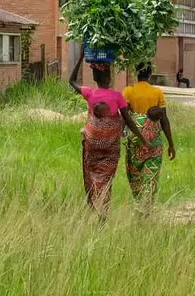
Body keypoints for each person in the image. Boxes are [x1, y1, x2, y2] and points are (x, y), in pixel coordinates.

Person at [69, 52, 150, 217]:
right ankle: (103, 211)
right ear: (109, 77)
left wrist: (80, 57)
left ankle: (93, 202)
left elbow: (71, 81)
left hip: (92, 145)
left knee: (91, 173)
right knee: (106, 178)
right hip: (111, 147)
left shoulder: (90, 93)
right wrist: (143, 140)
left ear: (95, 77)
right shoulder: (117, 96)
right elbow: (128, 121)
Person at [123, 63, 175, 207]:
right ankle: (147, 207)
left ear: (136, 73)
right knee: (151, 176)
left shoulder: (128, 91)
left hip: (135, 141)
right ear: (150, 74)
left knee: (135, 176)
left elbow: (124, 117)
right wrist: (171, 144)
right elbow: (164, 119)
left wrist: (118, 137)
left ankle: (139, 204)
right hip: (154, 143)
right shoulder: (157, 92)